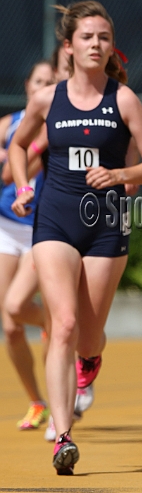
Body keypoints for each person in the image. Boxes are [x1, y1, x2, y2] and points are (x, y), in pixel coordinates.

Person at [9, 0, 142, 475]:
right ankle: (62, 435)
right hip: (54, 221)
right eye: (86, 37)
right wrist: (21, 185)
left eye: (102, 37)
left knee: (88, 333)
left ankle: (90, 360)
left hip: (105, 225)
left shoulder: (123, 100)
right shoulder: (47, 99)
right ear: (69, 47)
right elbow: (19, 144)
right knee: (63, 323)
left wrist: (119, 173)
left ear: (109, 45)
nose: (95, 44)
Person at [0, 60, 53, 431]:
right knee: (11, 324)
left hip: (41, 229)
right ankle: (38, 402)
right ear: (28, 85)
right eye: (39, 81)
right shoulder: (8, 124)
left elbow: (10, 169)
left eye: (51, 81)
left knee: (16, 305)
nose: (44, 87)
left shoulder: (58, 124)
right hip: (7, 226)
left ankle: (56, 322)